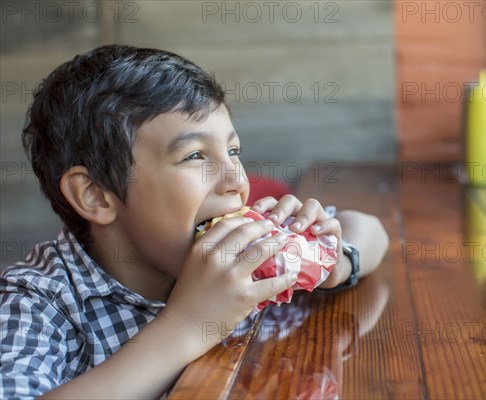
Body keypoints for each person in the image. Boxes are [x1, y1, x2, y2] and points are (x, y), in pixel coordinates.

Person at [0, 45, 389, 399]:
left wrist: (336, 259)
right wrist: (188, 324)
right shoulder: (35, 301)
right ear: (95, 195)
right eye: (194, 156)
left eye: (233, 150)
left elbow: (371, 230)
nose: (237, 180)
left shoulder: (245, 250)